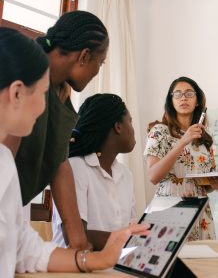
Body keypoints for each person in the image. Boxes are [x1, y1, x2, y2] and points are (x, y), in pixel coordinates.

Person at [0, 27, 149, 276]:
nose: (45, 108)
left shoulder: (5, 162)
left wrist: (95, 259)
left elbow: (26, 249)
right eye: (42, 94)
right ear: (16, 93)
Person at [3, 10, 109, 249]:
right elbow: (5, 159)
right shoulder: (27, 71)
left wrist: (78, 242)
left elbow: (59, 163)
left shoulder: (61, 91)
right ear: (84, 56)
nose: (97, 72)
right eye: (99, 63)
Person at [53, 93, 136, 250]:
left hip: (112, 264)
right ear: (118, 126)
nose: (133, 129)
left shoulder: (125, 174)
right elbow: (75, 237)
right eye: (130, 121)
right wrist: (129, 238)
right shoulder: (75, 167)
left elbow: (130, 227)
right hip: (72, 269)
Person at [144, 76, 218, 240]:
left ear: (198, 101)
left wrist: (214, 185)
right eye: (177, 94)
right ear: (171, 101)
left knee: (199, 263)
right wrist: (182, 141)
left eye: (189, 94)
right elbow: (153, 176)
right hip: (170, 207)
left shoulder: (204, 140)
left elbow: (200, 184)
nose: (183, 98)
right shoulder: (160, 131)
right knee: (172, 262)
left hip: (200, 211)